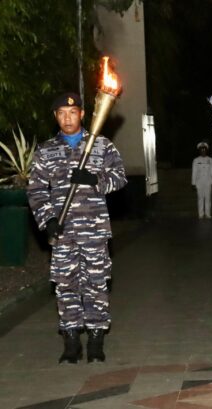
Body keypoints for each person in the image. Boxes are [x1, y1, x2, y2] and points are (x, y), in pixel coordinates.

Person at [27, 92, 127, 364]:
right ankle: (71, 342)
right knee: (65, 286)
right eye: (61, 113)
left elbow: (119, 178)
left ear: (82, 114)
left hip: (94, 231)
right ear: (55, 117)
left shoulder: (101, 145)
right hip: (63, 232)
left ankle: (96, 340)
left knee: (96, 284)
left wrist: (95, 179)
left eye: (72, 112)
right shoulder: (47, 150)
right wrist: (47, 220)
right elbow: (36, 189)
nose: (67, 118)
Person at [191, 142, 212, 219]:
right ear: (199, 150)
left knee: (208, 198)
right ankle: (201, 214)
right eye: (201, 149)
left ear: (206, 150)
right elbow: (194, 172)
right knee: (200, 198)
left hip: (208, 181)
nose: (203, 150)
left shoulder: (210, 160)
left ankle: (208, 214)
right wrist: (193, 183)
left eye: (204, 149)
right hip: (199, 182)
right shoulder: (196, 160)